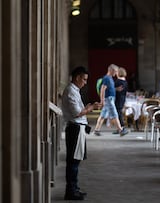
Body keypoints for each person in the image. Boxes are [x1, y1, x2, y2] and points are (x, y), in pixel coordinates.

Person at [61, 66, 101, 200]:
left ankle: (74, 188)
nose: (85, 82)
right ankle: (71, 191)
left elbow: (79, 110)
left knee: (76, 161)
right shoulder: (71, 91)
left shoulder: (75, 90)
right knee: (73, 162)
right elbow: (77, 113)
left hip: (78, 129)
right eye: (84, 79)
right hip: (75, 129)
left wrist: (89, 107)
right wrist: (91, 108)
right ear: (77, 77)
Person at [93, 64, 129, 136]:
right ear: (111, 70)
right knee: (115, 114)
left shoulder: (110, 78)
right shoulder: (106, 78)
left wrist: (116, 89)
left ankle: (96, 130)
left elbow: (109, 89)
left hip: (110, 98)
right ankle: (120, 130)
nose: (116, 73)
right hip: (109, 99)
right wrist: (102, 100)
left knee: (103, 115)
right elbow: (103, 89)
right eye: (115, 71)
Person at [113, 67, 128, 134]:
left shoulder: (118, 81)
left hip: (118, 99)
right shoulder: (125, 81)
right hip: (123, 98)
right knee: (119, 113)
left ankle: (122, 127)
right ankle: (119, 128)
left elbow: (117, 90)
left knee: (118, 113)